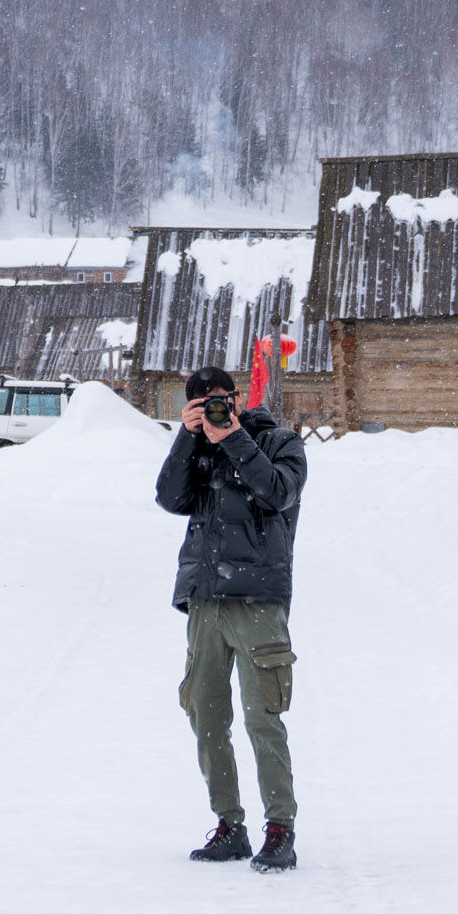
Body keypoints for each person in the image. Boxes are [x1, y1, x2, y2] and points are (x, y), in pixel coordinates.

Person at [155, 365, 308, 872]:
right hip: (205, 600)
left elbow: (277, 494)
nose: (216, 409)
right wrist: (187, 438)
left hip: (258, 600)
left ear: (237, 399)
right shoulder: (197, 448)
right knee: (205, 715)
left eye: (222, 400)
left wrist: (236, 439)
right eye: (204, 403)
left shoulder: (279, 441)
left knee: (263, 717)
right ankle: (230, 825)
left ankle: (280, 829)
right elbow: (170, 498)